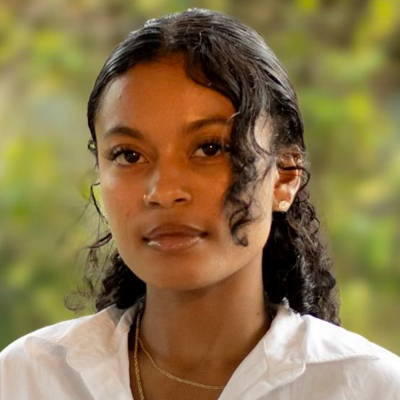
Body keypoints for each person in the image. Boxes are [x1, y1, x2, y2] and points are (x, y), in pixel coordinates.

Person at [1, 8, 399, 400]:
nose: (164, 190)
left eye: (210, 148)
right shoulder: (27, 379)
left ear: (284, 176)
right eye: (128, 155)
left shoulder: (369, 387)